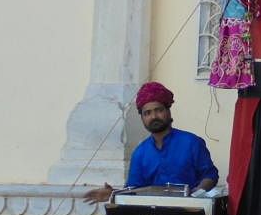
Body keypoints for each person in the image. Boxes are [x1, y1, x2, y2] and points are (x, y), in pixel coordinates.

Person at [83, 82, 218, 203]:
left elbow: (210, 176)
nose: (153, 117)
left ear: (168, 111)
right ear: (142, 118)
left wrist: (195, 196)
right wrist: (113, 194)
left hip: (186, 212)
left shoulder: (192, 143)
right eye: (147, 113)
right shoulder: (140, 153)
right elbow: (134, 191)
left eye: (158, 110)